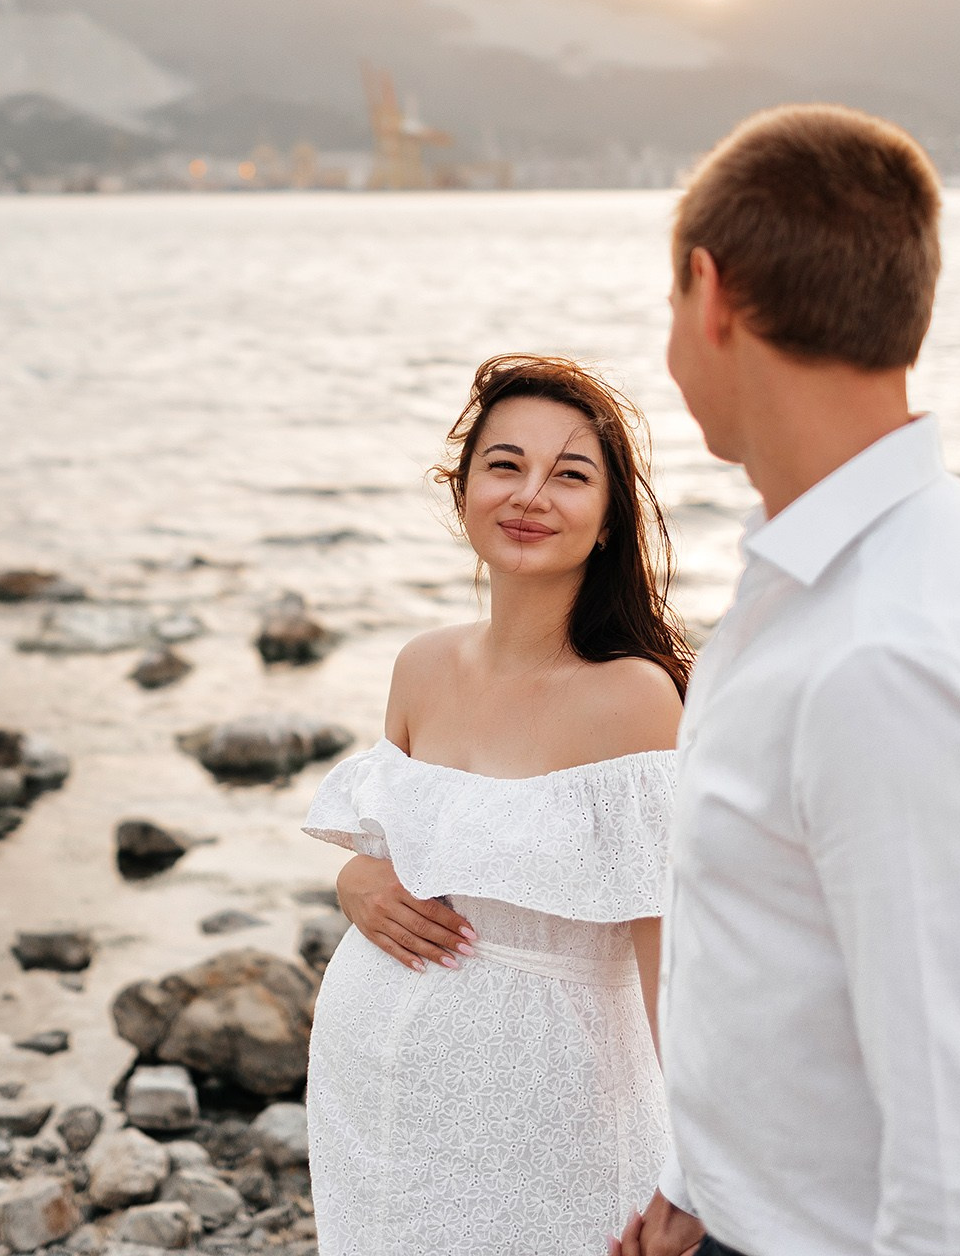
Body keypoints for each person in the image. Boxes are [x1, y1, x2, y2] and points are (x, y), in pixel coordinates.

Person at [613, 105, 960, 1256]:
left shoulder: (887, 657)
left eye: (668, 310)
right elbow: (786, 949)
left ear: (712, 292)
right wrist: (706, 1172)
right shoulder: (832, 574)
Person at [302, 354, 692, 1256]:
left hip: (552, 1129)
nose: (531, 495)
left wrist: (702, 1172)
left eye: (571, 475)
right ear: (464, 489)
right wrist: (356, 881)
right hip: (375, 1106)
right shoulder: (421, 666)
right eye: (505, 464)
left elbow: (670, 958)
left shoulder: (633, 700)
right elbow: (405, 854)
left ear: (606, 522)